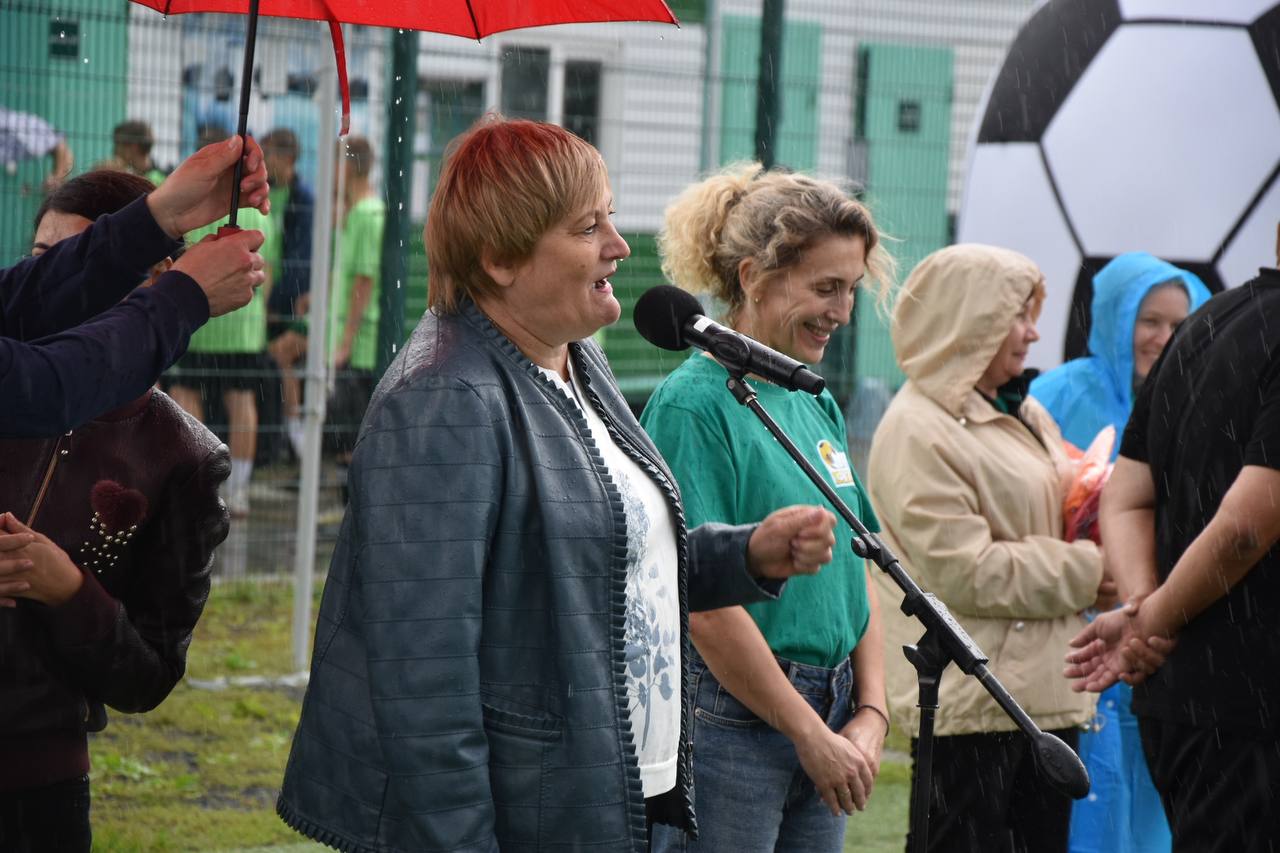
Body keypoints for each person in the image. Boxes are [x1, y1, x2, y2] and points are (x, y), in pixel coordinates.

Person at [276, 115, 842, 853]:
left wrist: (744, 555)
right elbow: (424, 684)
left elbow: (597, 566)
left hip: (613, 796)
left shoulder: (575, 358)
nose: (620, 245)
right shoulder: (443, 400)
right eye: (587, 227)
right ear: (500, 259)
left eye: (611, 216)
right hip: (530, 812)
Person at [641, 163, 894, 853]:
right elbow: (700, 601)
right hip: (734, 722)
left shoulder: (813, 397)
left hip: (831, 714)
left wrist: (870, 710)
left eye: (851, 289)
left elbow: (857, 564)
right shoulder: (693, 406)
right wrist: (806, 730)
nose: (843, 311)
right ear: (753, 278)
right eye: (826, 287)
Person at [0, 168, 231, 853]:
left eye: (83, 267)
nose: (58, 294)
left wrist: (70, 591)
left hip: (35, 780)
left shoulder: (183, 456)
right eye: (42, 265)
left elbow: (147, 673)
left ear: (154, 273)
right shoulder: (23, 387)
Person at [866, 244, 1104, 853]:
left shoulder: (1020, 407)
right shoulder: (917, 429)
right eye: (1016, 316)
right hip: (973, 702)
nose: (1033, 333)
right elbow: (967, 573)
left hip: (1040, 694)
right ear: (968, 320)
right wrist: (1093, 569)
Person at [1064, 262, 1280, 851]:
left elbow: (1127, 495)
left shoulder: (1205, 324)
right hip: (1255, 699)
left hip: (1183, 692)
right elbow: (1245, 527)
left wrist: (1142, 605)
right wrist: (1150, 620)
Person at [1030, 252, 1210, 853]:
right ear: (1114, 318)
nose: (1163, 337)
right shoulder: (1058, 394)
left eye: (1178, 324)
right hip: (1084, 625)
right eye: (1148, 320)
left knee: (1157, 792)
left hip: (1166, 627)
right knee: (1096, 790)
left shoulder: (1195, 396)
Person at [0, 133, 269, 438]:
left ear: (159, 274)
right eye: (40, 258)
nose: (65, 306)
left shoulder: (184, 453)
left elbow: (16, 299)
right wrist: (185, 295)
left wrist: (160, 215)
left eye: (57, 262)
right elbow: (42, 390)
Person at [167, 127, 278, 517]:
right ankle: (240, 491)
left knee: (186, 397)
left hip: (199, 319)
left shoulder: (192, 201)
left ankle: (199, 488)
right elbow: (269, 270)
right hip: (244, 324)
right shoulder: (260, 206)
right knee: (242, 400)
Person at [260, 127, 314, 461]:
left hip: (290, 304)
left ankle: (296, 439)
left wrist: (275, 301)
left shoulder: (303, 199)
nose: (264, 162)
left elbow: (300, 261)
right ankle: (283, 441)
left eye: (268, 155)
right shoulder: (267, 193)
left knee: (280, 358)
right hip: (268, 299)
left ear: (287, 158)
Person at [96, 120, 167, 185]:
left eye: (118, 144)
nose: (114, 150)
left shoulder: (156, 181)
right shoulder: (130, 173)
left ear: (133, 147)